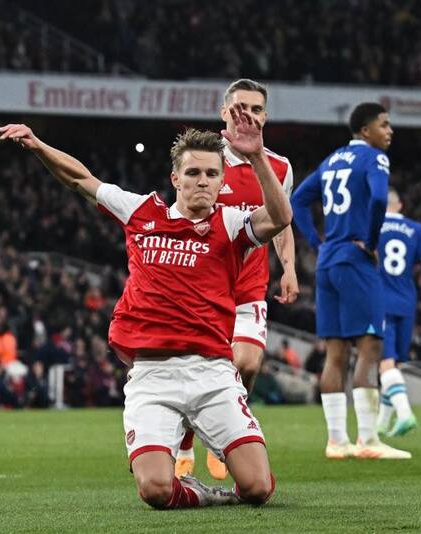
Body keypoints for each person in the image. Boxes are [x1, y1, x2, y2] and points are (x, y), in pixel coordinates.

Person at [0, 103, 291, 508]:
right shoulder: (141, 211)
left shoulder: (232, 223)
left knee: (258, 488)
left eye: (211, 174)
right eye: (193, 173)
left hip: (212, 373)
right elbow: (80, 178)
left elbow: (280, 215)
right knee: (155, 490)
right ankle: (205, 495)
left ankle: (217, 464)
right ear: (176, 178)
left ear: (222, 180)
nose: (202, 182)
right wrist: (37, 145)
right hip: (152, 375)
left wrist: (257, 156)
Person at [176, 79, 298, 481]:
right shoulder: (206, 162)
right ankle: (187, 442)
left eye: (257, 109)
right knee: (198, 370)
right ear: (225, 113)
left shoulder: (278, 166)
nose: (248, 115)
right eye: (240, 107)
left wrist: (289, 267)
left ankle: (221, 437)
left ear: (265, 116)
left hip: (249, 288)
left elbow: (281, 222)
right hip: (204, 291)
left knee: (245, 363)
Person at [291, 103, 411, 460]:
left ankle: (336, 441)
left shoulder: (332, 160)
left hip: (327, 263)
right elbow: (377, 197)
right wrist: (372, 242)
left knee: (335, 353)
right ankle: (369, 440)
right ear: (365, 130)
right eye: (384, 125)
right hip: (357, 261)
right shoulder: (374, 159)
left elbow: (298, 199)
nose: (390, 132)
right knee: (371, 346)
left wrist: (316, 242)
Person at [375, 188, 421, 437]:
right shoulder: (416, 229)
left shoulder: (371, 225)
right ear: (400, 205)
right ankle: (382, 425)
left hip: (379, 300)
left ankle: (405, 414)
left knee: (385, 364)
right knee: (393, 364)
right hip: (407, 302)